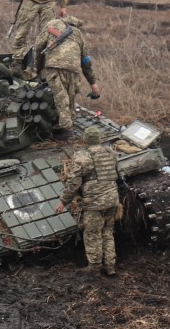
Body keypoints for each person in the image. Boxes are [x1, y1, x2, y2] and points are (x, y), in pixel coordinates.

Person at [55, 127, 120, 275]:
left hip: (94, 202)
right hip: (112, 199)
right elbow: (116, 173)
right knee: (107, 232)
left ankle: (95, 267)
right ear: (99, 138)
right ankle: (110, 266)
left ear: (85, 140)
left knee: (92, 233)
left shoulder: (82, 157)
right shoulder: (110, 152)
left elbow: (74, 183)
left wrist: (63, 202)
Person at [33, 15, 99, 139]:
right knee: (70, 98)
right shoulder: (78, 33)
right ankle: (70, 123)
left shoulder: (51, 24)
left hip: (54, 66)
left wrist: (38, 67)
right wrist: (93, 82)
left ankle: (66, 131)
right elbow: (86, 61)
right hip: (74, 70)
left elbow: (38, 47)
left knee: (60, 97)